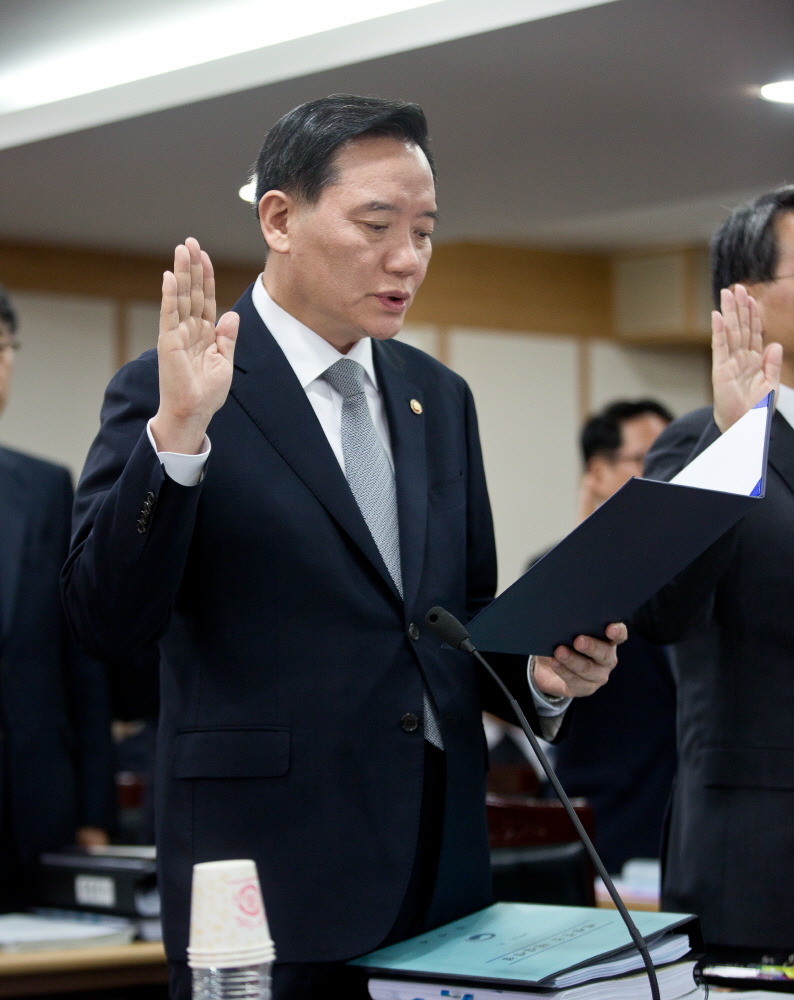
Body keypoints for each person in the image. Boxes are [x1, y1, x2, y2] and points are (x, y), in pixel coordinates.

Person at [62, 96, 626, 999]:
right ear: (280, 218)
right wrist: (177, 438)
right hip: (268, 875)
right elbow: (104, 618)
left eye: (426, 232)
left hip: (441, 871)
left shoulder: (438, 397)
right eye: (376, 225)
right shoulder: (174, 387)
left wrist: (541, 681)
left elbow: (454, 624)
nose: (408, 259)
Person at [634, 186, 794, 950]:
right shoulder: (698, 443)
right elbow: (661, 608)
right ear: (744, 300)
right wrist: (737, 442)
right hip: (760, 849)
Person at [0, 284, 115, 908]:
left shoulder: (45, 488)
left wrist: (95, 812)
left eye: (0, 348)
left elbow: (83, 664)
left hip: (36, 812)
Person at [552, 400, 677, 874]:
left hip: (680, 820)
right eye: (648, 458)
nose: (669, 471)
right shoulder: (557, 571)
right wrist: (593, 538)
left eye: (676, 455)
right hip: (606, 820)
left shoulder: (692, 571)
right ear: (598, 473)